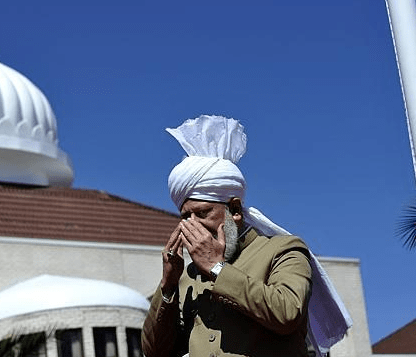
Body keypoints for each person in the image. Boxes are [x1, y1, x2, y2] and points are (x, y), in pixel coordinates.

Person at [142, 115, 351, 357]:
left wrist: (217, 269)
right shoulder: (187, 277)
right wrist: (168, 285)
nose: (193, 226)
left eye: (202, 213)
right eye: (185, 217)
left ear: (235, 210)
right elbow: (154, 351)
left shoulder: (283, 250)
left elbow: (287, 313)